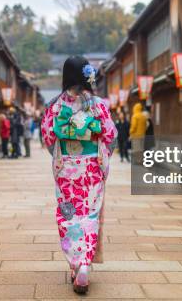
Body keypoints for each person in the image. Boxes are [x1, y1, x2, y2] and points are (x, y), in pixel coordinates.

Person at [41, 56, 117, 294]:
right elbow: (111, 135)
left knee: (68, 215)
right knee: (90, 215)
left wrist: (62, 153)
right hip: (92, 170)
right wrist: (100, 154)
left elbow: (48, 138)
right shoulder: (98, 104)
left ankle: (76, 263)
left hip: (67, 171)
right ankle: (85, 263)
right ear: (87, 76)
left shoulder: (55, 105)